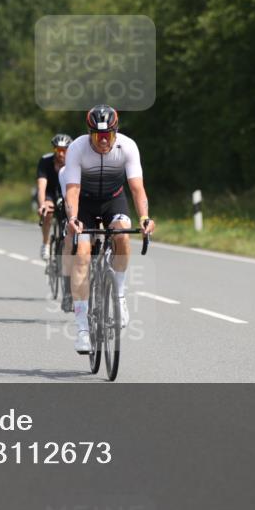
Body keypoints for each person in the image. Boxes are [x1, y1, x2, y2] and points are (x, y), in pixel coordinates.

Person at [63, 105, 155, 354]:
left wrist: (144, 217)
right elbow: (72, 190)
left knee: (123, 235)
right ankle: (83, 330)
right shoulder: (77, 148)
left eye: (108, 136)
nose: (103, 141)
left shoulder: (128, 146)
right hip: (84, 203)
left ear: (115, 133)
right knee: (82, 255)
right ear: (89, 134)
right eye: (98, 136)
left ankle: (120, 296)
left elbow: (137, 188)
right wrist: (73, 218)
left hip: (114, 200)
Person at [37, 134, 74, 310]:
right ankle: (46, 243)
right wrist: (42, 204)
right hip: (52, 193)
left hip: (67, 193)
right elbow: (41, 187)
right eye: (58, 150)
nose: (61, 153)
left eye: (64, 150)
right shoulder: (45, 162)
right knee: (48, 212)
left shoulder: (74, 161)